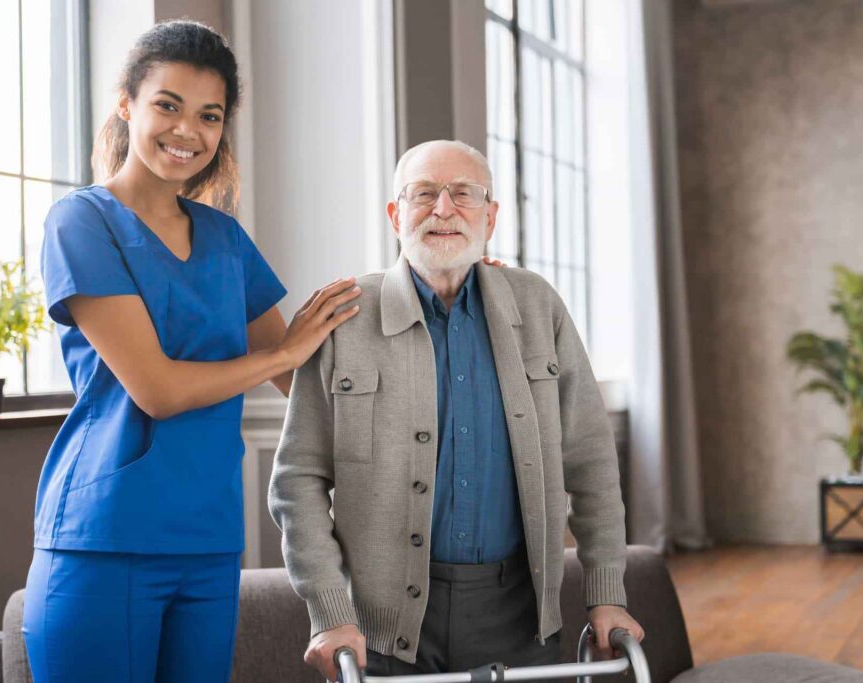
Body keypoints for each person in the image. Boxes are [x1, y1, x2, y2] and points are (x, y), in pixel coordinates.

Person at [21, 20, 361, 682]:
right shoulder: (82, 221)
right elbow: (159, 389)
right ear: (127, 103)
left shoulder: (225, 238)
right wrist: (282, 352)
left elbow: (304, 377)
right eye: (167, 105)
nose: (188, 131)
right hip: (104, 536)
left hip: (208, 539)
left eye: (209, 115)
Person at [269, 139, 645, 680]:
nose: (443, 209)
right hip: (383, 630)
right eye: (423, 194)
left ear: (491, 217)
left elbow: (590, 461)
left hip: (521, 619)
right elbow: (296, 481)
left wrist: (606, 590)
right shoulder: (343, 318)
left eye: (463, 194)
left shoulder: (538, 305)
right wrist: (330, 611)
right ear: (396, 215)